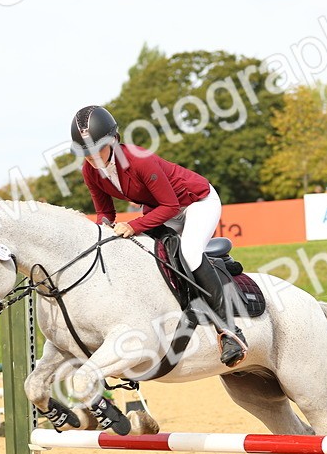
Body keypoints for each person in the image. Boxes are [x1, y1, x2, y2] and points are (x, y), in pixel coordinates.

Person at [71, 104, 246, 367]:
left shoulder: (140, 160)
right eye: (86, 153)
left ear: (113, 141)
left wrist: (133, 226)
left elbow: (171, 207)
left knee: (189, 253)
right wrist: (102, 230)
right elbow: (105, 212)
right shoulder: (90, 171)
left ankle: (230, 332)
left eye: (97, 150)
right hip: (160, 208)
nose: (93, 158)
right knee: (143, 253)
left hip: (196, 202)